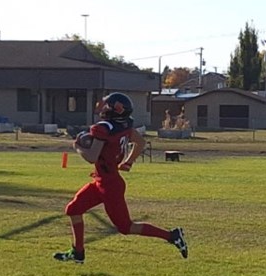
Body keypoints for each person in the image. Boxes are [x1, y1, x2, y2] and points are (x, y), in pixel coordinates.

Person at [55, 92, 188, 264]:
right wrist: (128, 162)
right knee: (73, 209)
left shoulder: (104, 128)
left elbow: (92, 157)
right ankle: (78, 253)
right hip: (102, 181)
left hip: (110, 186)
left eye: (107, 105)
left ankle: (172, 235)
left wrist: (77, 147)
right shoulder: (123, 126)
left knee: (126, 227)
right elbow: (140, 142)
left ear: (114, 110)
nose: (103, 107)